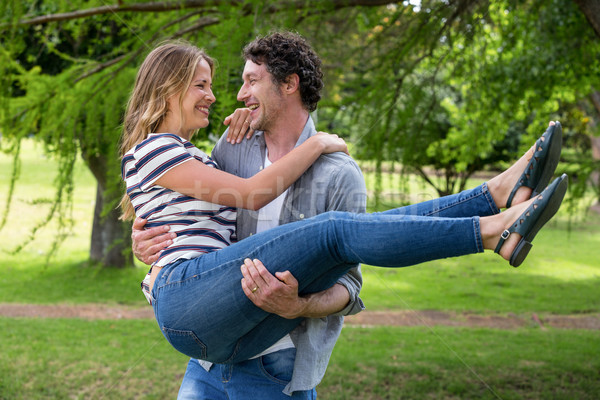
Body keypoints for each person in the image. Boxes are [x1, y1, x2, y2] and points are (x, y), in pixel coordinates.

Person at [124, 38, 566, 398]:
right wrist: (142, 244)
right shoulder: (216, 150)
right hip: (201, 337)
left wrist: (298, 305)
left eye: (250, 82)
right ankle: (492, 227)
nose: (225, 96)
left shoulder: (334, 172)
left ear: (289, 84)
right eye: (203, 85)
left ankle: (495, 197)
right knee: (334, 229)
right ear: (168, 88)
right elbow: (242, 197)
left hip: (261, 345)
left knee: (344, 237)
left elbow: (349, 285)